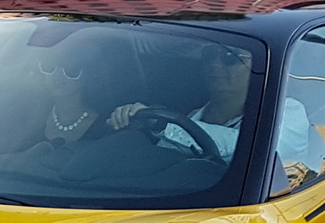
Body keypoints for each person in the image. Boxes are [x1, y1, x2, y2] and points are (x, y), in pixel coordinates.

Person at [107, 44, 252, 162]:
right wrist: (134, 121)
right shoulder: (189, 112)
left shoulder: (269, 130)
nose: (215, 64)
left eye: (230, 57)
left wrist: (162, 124)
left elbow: (242, 147)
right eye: (209, 55)